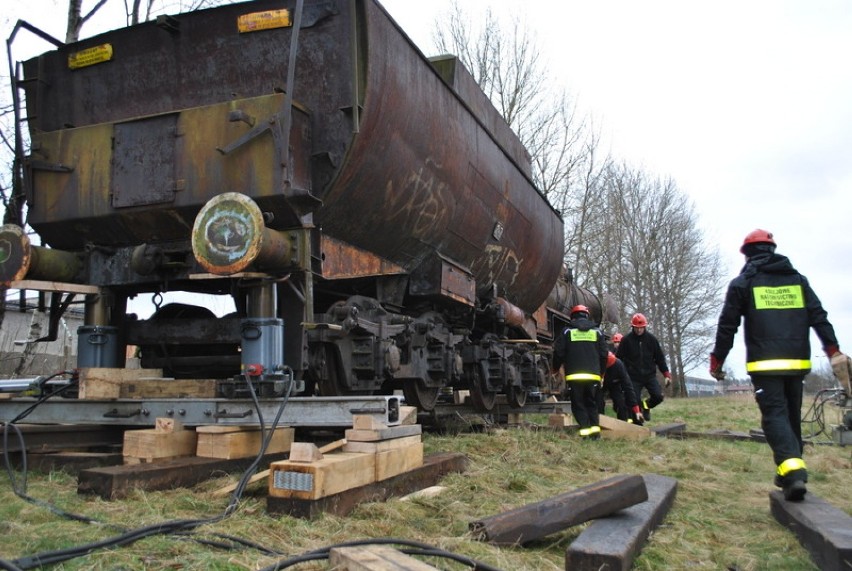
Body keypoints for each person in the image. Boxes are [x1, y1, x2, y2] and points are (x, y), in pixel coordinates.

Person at [709, 229, 846, 502]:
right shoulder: (798, 281)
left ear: (747, 255)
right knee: (791, 416)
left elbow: (728, 325)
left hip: (764, 364)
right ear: (772, 251)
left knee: (774, 416)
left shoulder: (743, 283)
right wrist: (833, 350)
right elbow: (819, 317)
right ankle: (789, 473)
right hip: (797, 363)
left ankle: (793, 471)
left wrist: (717, 360)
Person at [553, 305, 609, 439]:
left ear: (572, 316)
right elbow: (604, 355)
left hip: (574, 377)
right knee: (592, 403)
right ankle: (595, 435)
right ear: (587, 315)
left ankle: (585, 432)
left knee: (578, 404)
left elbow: (559, 352)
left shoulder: (567, 332)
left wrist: (555, 368)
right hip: (593, 376)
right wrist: (601, 373)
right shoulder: (597, 332)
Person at [616, 312, 671, 421]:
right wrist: (620, 375)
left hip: (649, 375)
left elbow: (660, 358)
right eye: (637, 328)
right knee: (634, 400)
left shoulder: (652, 340)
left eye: (641, 328)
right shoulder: (626, 340)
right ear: (633, 327)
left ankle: (646, 406)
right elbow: (619, 359)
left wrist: (666, 374)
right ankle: (638, 421)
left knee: (658, 396)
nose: (639, 330)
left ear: (645, 327)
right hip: (633, 377)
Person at [600, 351, 644, 423]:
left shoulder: (618, 365)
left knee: (621, 402)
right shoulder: (597, 363)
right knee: (599, 402)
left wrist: (636, 410)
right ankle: (600, 422)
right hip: (600, 383)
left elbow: (628, 388)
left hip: (615, 384)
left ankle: (623, 422)